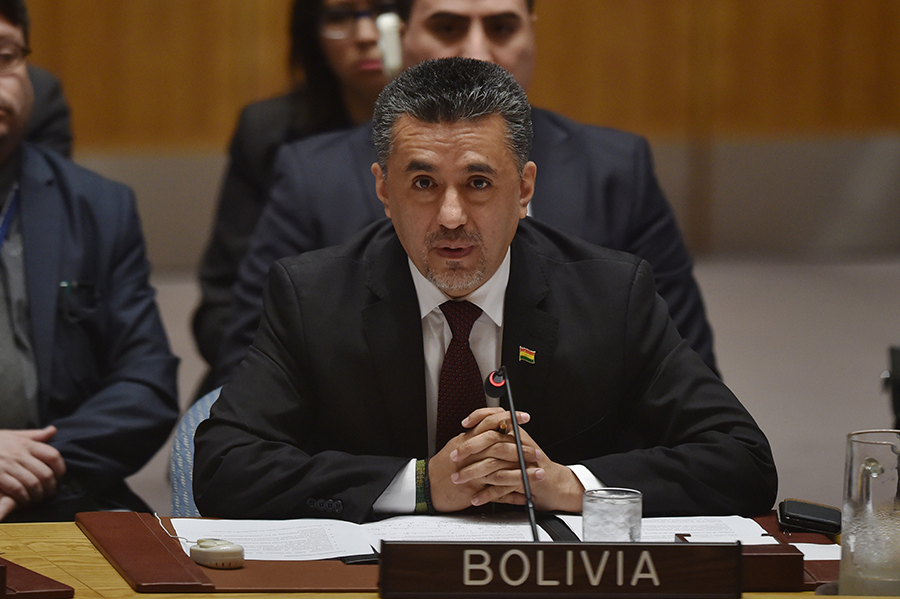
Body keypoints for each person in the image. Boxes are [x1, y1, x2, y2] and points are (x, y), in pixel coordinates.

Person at [193, 57, 776, 522]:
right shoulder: (312, 296)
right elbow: (225, 467)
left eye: (477, 182)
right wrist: (421, 484)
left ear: (524, 189)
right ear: (383, 191)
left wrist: (568, 484)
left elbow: (741, 458)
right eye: (423, 183)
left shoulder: (611, 294)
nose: (450, 215)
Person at [209, 0, 719, 390]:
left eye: (501, 27)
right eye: (448, 27)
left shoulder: (615, 168)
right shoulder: (311, 174)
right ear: (400, 37)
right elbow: (250, 360)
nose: (476, 50)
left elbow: (686, 367)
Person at [0, 0, 178, 521]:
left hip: (57, 495)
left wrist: (29, 466)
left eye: (6, 56)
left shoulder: (98, 206)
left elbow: (145, 384)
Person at [192, 0, 393, 394]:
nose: (366, 36)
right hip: (288, 373)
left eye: (385, 12)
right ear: (310, 34)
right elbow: (222, 306)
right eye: (339, 18)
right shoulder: (267, 132)